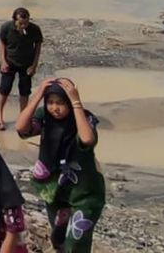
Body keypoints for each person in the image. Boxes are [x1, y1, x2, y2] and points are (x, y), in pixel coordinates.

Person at [17, 78, 106, 252]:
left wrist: (76, 103)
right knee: (59, 238)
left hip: (84, 193)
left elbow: (88, 139)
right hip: (55, 190)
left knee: (76, 240)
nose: (54, 108)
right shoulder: (44, 118)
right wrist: (38, 95)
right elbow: (21, 128)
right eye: (50, 102)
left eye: (60, 103)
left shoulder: (84, 118)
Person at [0, 7, 43, 130]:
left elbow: (38, 46)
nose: (23, 26)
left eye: (26, 23)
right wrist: (3, 61)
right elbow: (2, 42)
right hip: (10, 62)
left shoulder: (34, 29)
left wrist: (34, 65)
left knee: (25, 91)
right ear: (14, 20)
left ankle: (23, 117)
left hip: (26, 64)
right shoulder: (6, 27)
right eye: (21, 23)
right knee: (4, 89)